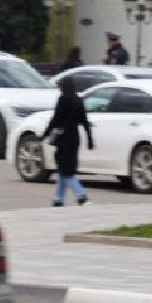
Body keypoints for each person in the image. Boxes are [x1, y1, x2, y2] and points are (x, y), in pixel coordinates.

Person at [46, 79, 94, 207]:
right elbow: (84, 121)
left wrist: (46, 133)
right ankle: (59, 199)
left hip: (63, 138)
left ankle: (81, 197)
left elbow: (56, 118)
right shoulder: (78, 100)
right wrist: (90, 139)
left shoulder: (63, 100)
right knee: (64, 169)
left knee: (66, 171)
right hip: (74, 138)